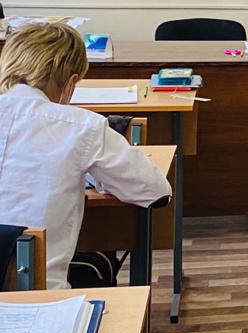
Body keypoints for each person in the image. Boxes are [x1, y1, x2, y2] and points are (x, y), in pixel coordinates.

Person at [0, 23, 172, 289]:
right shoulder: (81, 126)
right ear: (71, 82)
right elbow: (156, 191)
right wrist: (98, 177)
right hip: (38, 296)